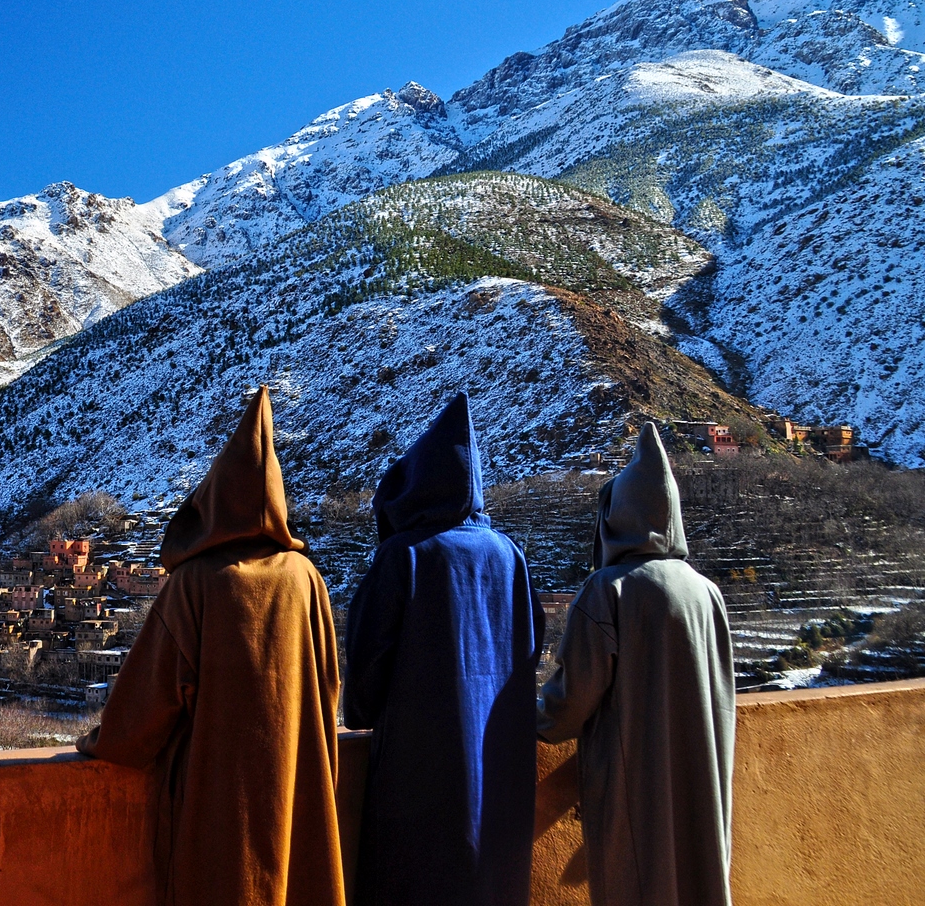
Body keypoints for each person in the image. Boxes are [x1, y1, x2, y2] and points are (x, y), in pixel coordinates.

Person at [76, 386, 345, 906]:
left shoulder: (195, 584)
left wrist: (98, 740)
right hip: (299, 796)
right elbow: (328, 686)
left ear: (211, 499)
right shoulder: (306, 578)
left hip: (222, 814)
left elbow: (141, 714)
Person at [344, 392, 543, 906]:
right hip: (501, 784)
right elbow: (531, 652)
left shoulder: (404, 556)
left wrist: (362, 711)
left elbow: (365, 674)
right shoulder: (510, 557)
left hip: (418, 783)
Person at [537, 421, 735, 906]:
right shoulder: (706, 593)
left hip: (634, 797)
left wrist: (525, 712)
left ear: (614, 518)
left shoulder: (607, 591)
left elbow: (569, 708)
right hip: (703, 786)